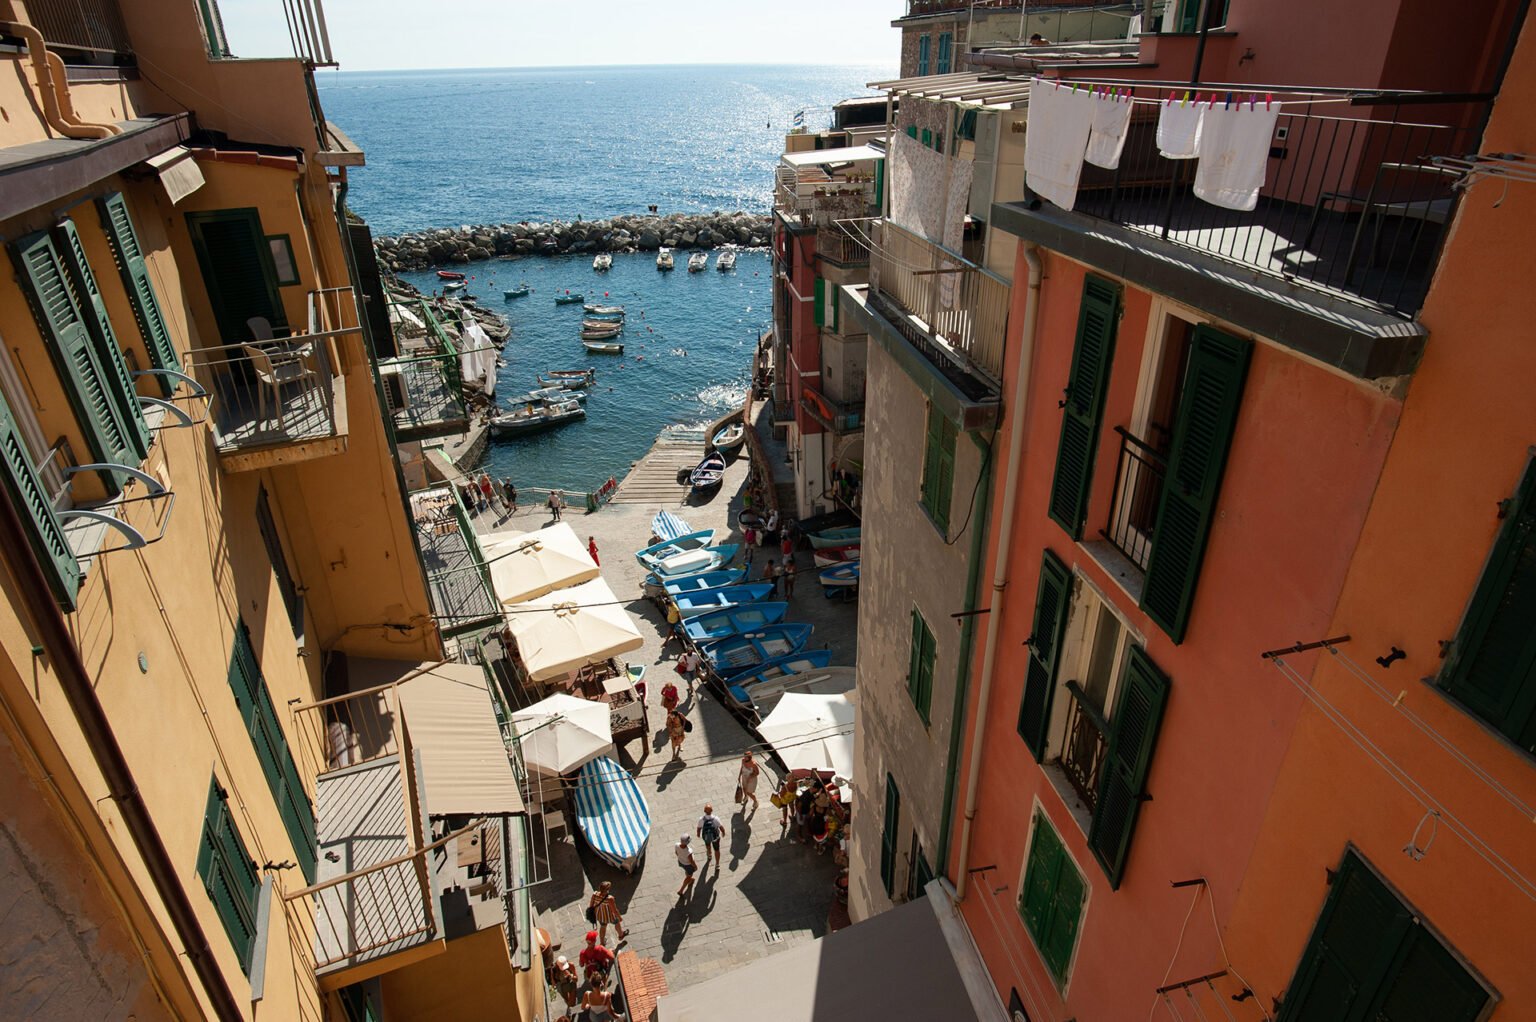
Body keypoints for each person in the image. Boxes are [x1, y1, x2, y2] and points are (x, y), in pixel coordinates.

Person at [589, 880, 626, 945]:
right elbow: (614, 910)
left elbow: (591, 906)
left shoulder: (594, 894)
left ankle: (602, 942)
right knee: (617, 923)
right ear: (607, 890)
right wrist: (619, 917)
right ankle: (621, 935)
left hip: (600, 916)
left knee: (603, 927)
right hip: (610, 916)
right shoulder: (609, 898)